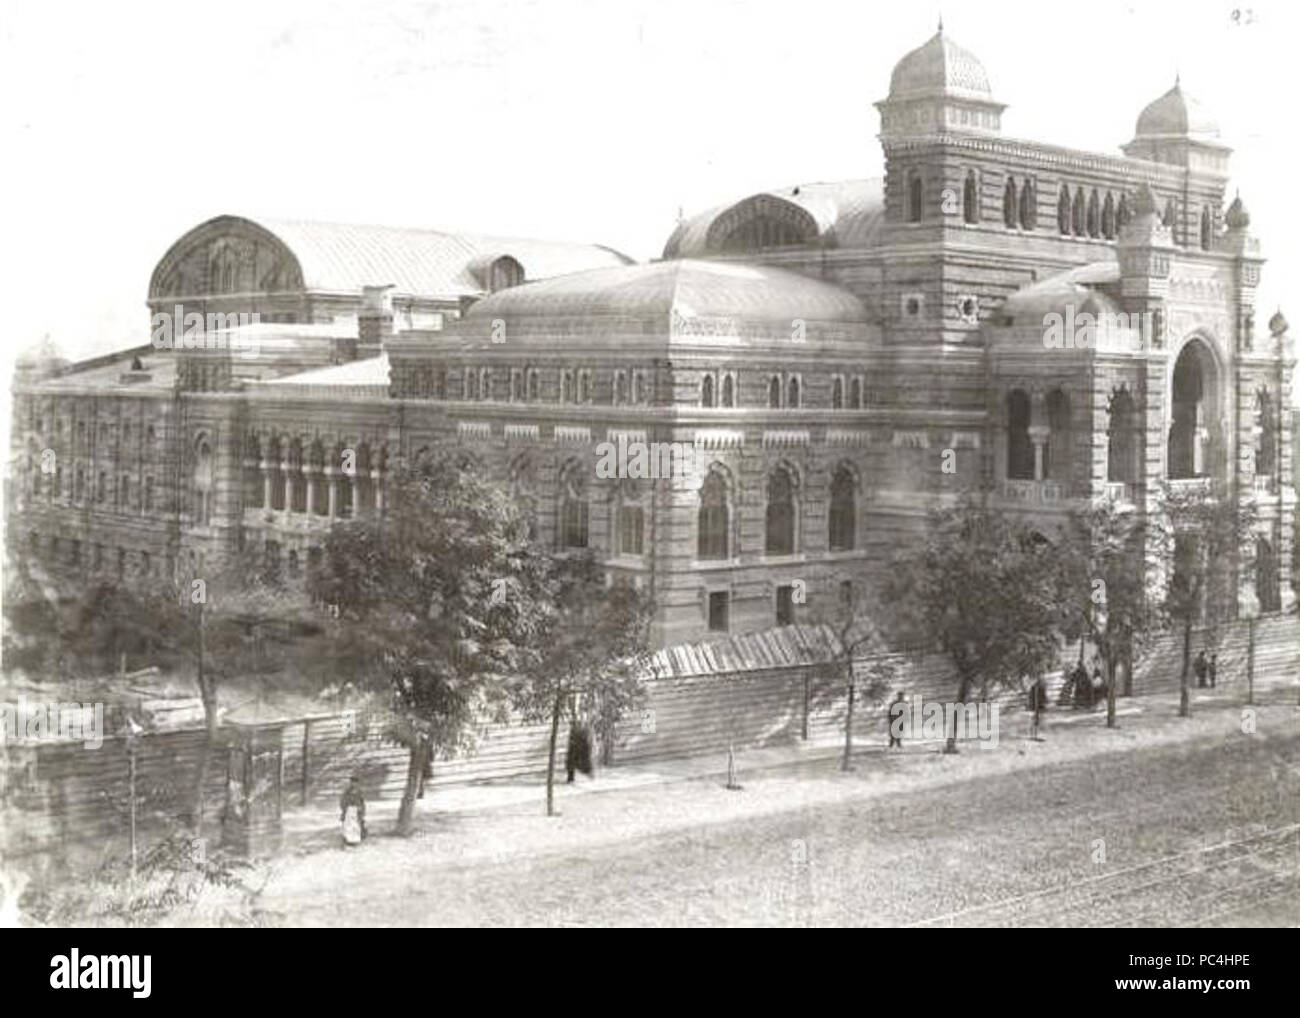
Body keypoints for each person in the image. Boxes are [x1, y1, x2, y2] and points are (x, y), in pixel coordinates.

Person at [339, 775, 366, 846]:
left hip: (357, 810)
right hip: (349, 810)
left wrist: (362, 810)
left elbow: (362, 801)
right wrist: (344, 807)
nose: (354, 784)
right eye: (352, 782)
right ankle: (348, 839)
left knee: (356, 825)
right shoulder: (347, 792)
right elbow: (343, 800)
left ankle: (355, 840)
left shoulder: (360, 792)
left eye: (355, 782)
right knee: (348, 825)